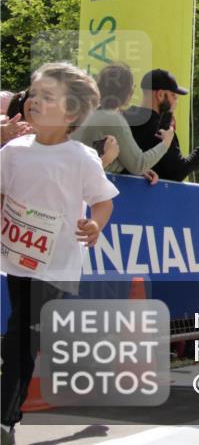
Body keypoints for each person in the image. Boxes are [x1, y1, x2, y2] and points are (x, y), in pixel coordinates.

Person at [1, 63, 119, 445]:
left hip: (56, 263)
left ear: (71, 113)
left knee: (18, 337)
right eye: (33, 93)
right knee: (26, 330)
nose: (34, 101)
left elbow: (102, 202)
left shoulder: (81, 157)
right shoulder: (13, 151)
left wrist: (95, 225)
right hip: (17, 257)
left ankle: (4, 420)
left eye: (46, 97)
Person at [72, 63, 172, 180]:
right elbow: (139, 164)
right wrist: (166, 142)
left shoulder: (88, 112)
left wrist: (130, 167)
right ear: (128, 92)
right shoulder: (112, 118)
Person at [124, 69, 199, 182]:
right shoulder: (162, 129)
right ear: (160, 95)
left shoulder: (123, 118)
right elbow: (178, 172)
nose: (176, 100)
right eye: (173, 95)